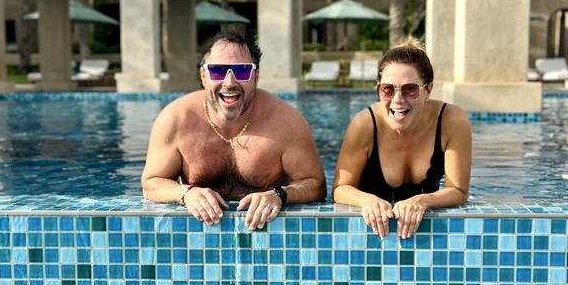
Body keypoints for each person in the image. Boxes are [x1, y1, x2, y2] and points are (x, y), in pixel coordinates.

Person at [142, 31, 326, 228]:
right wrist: (186, 193)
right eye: (218, 71)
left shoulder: (287, 123)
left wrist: (279, 195)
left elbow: (316, 185)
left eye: (242, 71)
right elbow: (152, 182)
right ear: (203, 76)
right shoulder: (175, 119)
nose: (229, 83)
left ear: (256, 77)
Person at [332, 44, 471, 238]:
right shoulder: (364, 124)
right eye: (387, 89)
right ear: (378, 89)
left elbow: (458, 190)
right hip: (371, 235)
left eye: (410, 90)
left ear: (428, 90)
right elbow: (340, 188)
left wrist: (423, 201)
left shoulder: (452, 121)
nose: (397, 99)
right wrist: (367, 201)